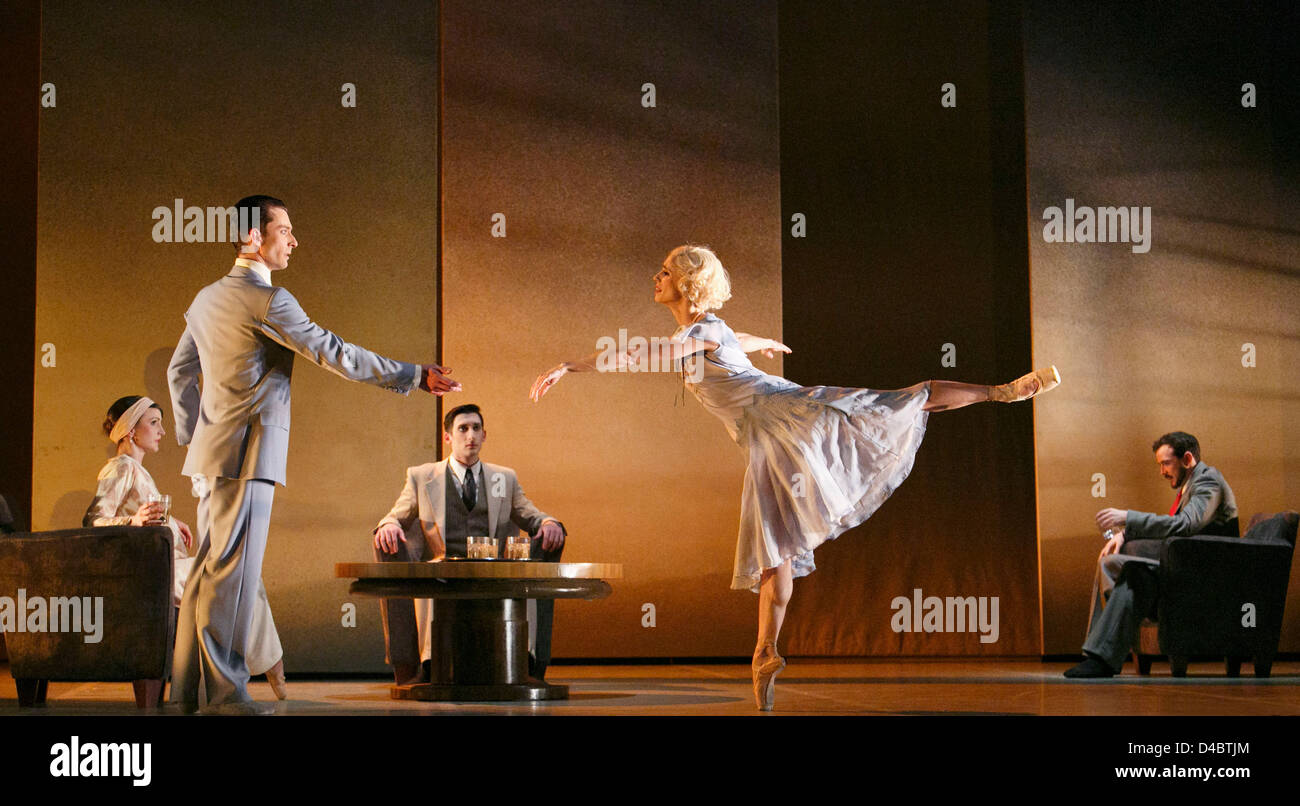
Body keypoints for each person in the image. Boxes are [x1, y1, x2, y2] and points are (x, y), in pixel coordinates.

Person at [530, 244, 1060, 710]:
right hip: (766, 449)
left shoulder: (701, 331)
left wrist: (569, 365)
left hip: (790, 418)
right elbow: (728, 336)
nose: (656, 277)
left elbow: (652, 352)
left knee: (902, 400)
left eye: (664, 271)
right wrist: (760, 342)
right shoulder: (708, 332)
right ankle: (765, 652)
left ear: (688, 282)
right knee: (774, 552)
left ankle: (1002, 391)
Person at [167, 195, 460, 714]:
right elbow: (336, 354)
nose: (294, 240)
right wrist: (413, 375)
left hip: (211, 456)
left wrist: (196, 436)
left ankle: (187, 693)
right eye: (285, 230)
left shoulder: (206, 297)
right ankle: (227, 697)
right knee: (232, 580)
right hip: (248, 454)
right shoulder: (268, 300)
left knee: (204, 578)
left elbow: (178, 373)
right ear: (254, 237)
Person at [84, 395, 287, 700]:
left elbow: (138, 511)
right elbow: (92, 522)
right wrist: (136, 521)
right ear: (130, 430)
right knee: (239, 576)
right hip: (152, 572)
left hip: (167, 565)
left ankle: (252, 674)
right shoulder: (120, 467)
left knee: (241, 577)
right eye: (153, 423)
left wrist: (170, 522)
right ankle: (273, 672)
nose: (161, 431)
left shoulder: (137, 470)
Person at [372, 403, 566, 683]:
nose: (470, 435)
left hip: (492, 573)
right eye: (462, 428)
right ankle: (428, 668)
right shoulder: (421, 476)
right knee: (427, 585)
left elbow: (530, 514)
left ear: (484, 435)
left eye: (476, 428)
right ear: (448, 437)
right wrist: (388, 524)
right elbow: (397, 514)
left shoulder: (504, 477)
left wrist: (549, 523)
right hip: (443, 575)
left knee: (526, 576)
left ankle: (523, 667)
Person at [1065, 431, 1238, 678]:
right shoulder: (1193, 486)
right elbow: (1175, 525)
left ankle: (1101, 653)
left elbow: (1185, 525)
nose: (1162, 472)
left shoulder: (1208, 481)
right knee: (1116, 565)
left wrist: (1128, 518)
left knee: (1132, 574)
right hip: (1184, 568)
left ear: (1187, 459)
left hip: (1205, 576)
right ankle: (1097, 653)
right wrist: (1126, 535)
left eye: (1166, 463)